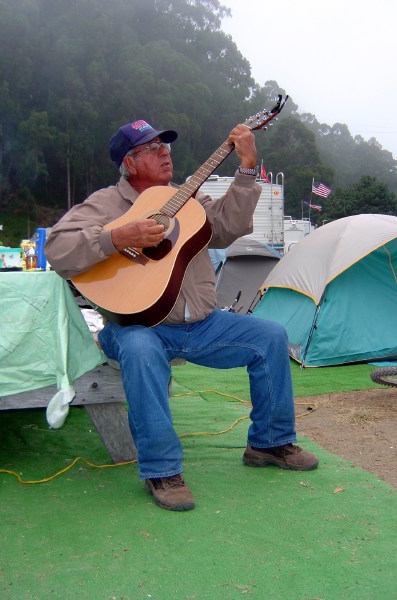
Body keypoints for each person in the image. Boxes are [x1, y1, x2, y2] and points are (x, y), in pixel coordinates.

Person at [45, 119, 319, 512]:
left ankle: (269, 443)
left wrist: (245, 170)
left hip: (202, 323)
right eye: (152, 148)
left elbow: (226, 229)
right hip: (135, 326)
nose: (164, 154)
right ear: (129, 162)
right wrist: (116, 237)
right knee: (140, 349)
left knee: (270, 336)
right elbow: (57, 248)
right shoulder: (105, 204)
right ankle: (161, 470)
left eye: (166, 147)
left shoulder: (187, 199)